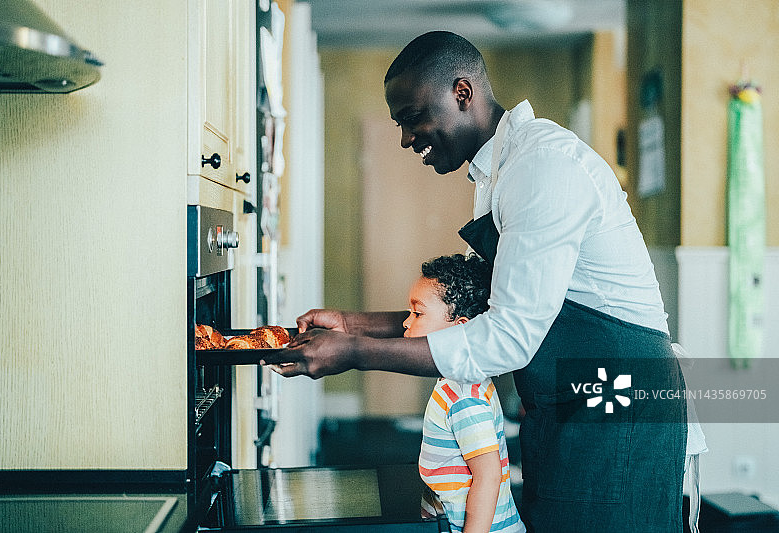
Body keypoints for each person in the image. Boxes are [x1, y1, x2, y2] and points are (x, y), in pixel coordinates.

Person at [263, 31, 687, 532]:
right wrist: (351, 323)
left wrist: (355, 352)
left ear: (461, 94)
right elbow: (470, 308)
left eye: (413, 117)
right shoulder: (497, 174)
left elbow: (507, 338)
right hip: (569, 403)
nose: (405, 138)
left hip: (618, 407)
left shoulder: (540, 168)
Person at [405, 253, 524, 533]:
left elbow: (488, 475)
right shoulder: (454, 381)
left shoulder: (463, 395)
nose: (406, 323)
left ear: (459, 328)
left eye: (417, 313)